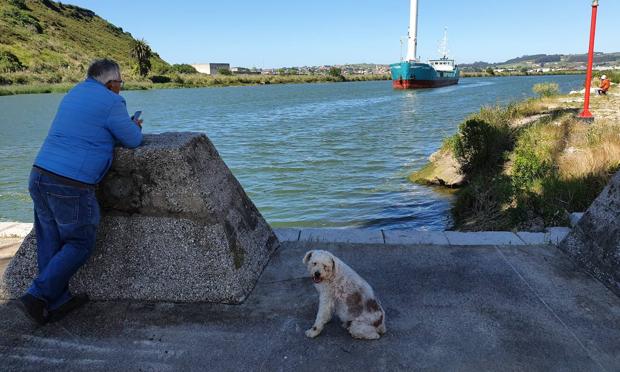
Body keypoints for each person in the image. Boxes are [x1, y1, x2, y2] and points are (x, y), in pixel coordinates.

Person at [18, 59, 143, 325]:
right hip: (70, 183)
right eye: (120, 83)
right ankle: (36, 295)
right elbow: (133, 139)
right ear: (111, 83)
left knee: (49, 239)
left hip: (40, 175)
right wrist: (134, 125)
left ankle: (55, 301)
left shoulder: (74, 92)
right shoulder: (112, 102)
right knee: (80, 243)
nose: (121, 88)